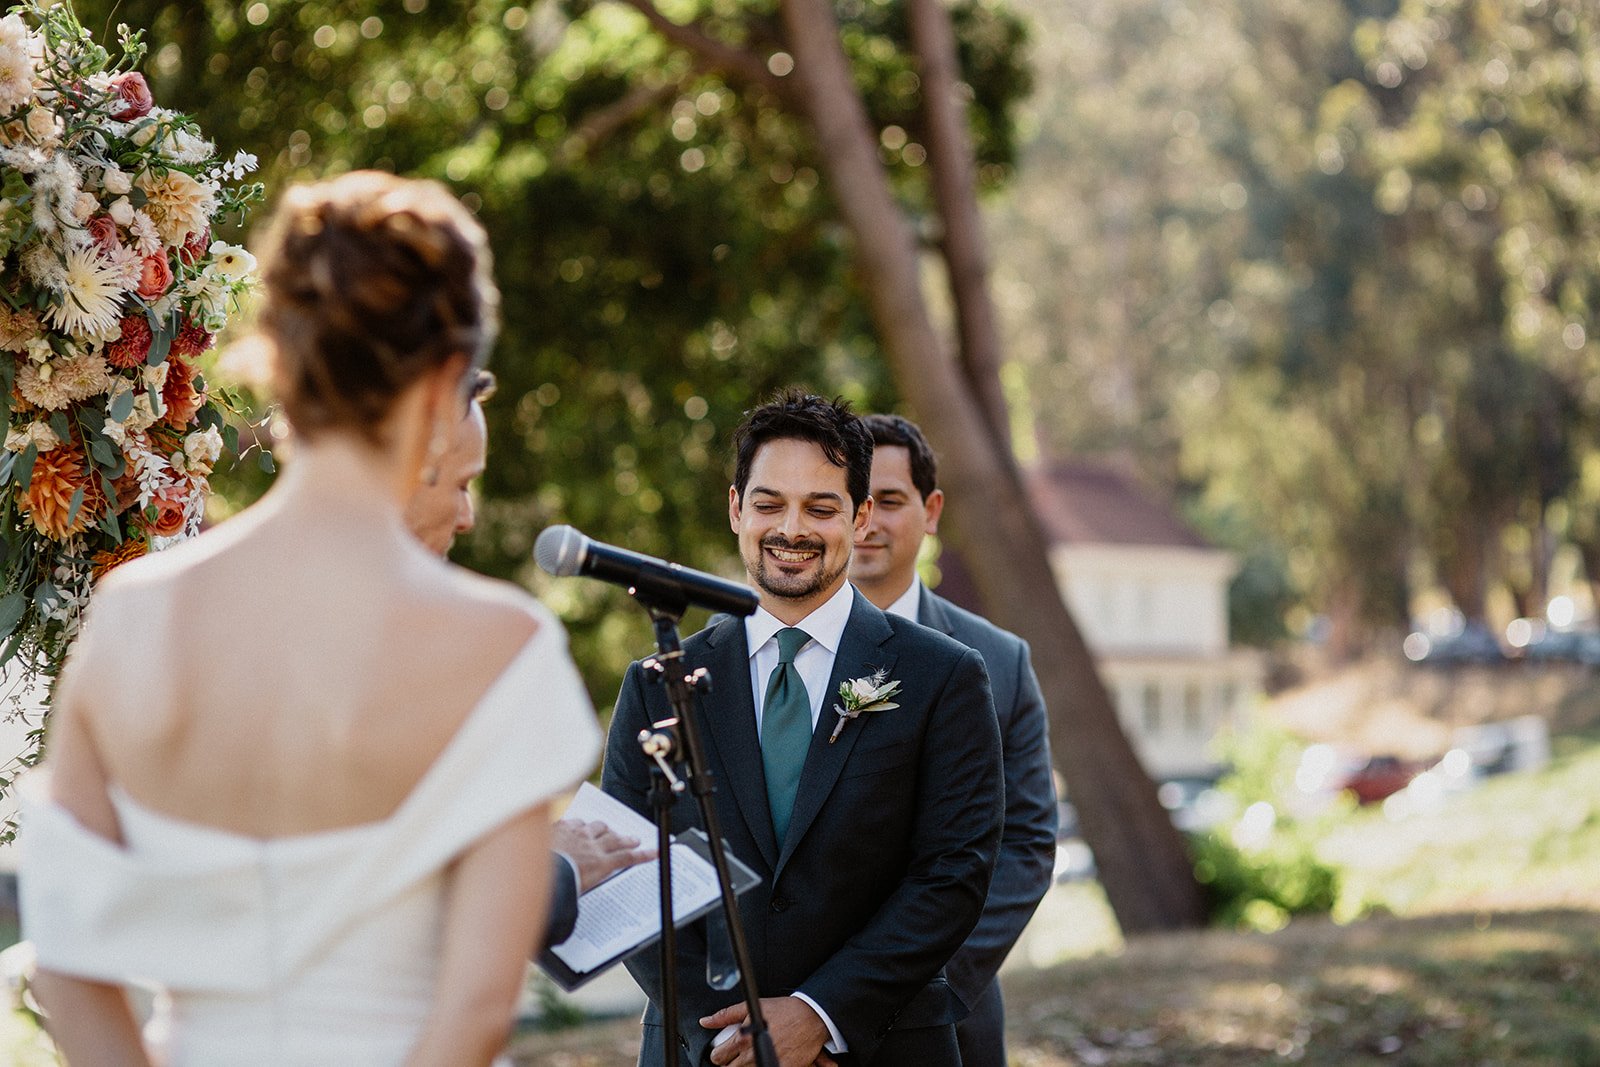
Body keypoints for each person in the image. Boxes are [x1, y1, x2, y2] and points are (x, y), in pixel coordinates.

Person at [17, 171, 601, 1066]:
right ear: (450, 377)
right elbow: (478, 1007)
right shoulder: (501, 649)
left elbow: (65, 958)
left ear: (278, 354)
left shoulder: (136, 617)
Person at [602, 390, 1004, 1067]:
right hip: (700, 1050)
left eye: (821, 506)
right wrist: (734, 1037)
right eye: (768, 503)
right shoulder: (657, 683)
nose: (792, 527)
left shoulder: (944, 677)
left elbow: (952, 874)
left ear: (861, 514)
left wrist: (821, 1014)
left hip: (885, 1046)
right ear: (736, 508)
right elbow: (627, 875)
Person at [404, 368, 652, 948]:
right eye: (463, 484)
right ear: (404, 470)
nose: (467, 517)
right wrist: (556, 871)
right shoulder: (489, 642)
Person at [851, 414, 1058, 1067]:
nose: (867, 521)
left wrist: (913, 988)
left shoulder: (1000, 661)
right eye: (850, 501)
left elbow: (1024, 844)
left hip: (949, 1021)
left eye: (888, 500)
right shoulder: (763, 654)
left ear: (930, 509)